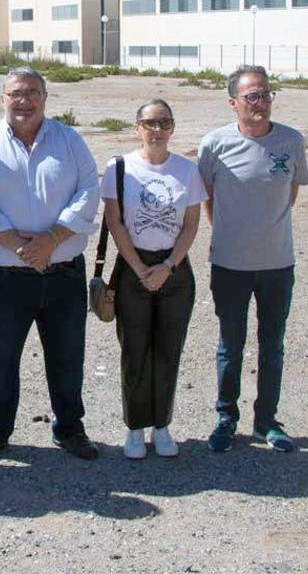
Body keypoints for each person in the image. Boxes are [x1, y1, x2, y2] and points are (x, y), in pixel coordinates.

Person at [0, 67, 101, 464]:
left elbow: (89, 191)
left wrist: (51, 239)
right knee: (1, 356)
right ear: (3, 98)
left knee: (67, 355)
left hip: (63, 273)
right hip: (5, 276)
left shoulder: (69, 141)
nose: (25, 100)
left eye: (33, 92)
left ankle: (70, 428)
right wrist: (23, 247)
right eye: (16, 93)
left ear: (45, 97)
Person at [197, 65, 308, 454]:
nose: (261, 103)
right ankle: (226, 418)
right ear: (233, 103)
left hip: (278, 263)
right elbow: (207, 196)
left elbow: (289, 193)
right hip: (229, 265)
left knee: (272, 346)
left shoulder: (291, 141)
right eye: (252, 96)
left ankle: (266, 422)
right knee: (230, 347)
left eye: (266, 94)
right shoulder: (214, 144)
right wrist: (228, 233)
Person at [101, 99, 206, 460]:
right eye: (149, 123)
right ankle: (135, 427)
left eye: (164, 122)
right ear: (137, 128)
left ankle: (161, 425)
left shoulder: (187, 171)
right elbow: (115, 222)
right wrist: (138, 267)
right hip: (133, 269)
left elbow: (191, 225)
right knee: (134, 351)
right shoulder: (119, 169)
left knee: (167, 351)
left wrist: (167, 267)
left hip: (174, 271)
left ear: (172, 128)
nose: (157, 130)